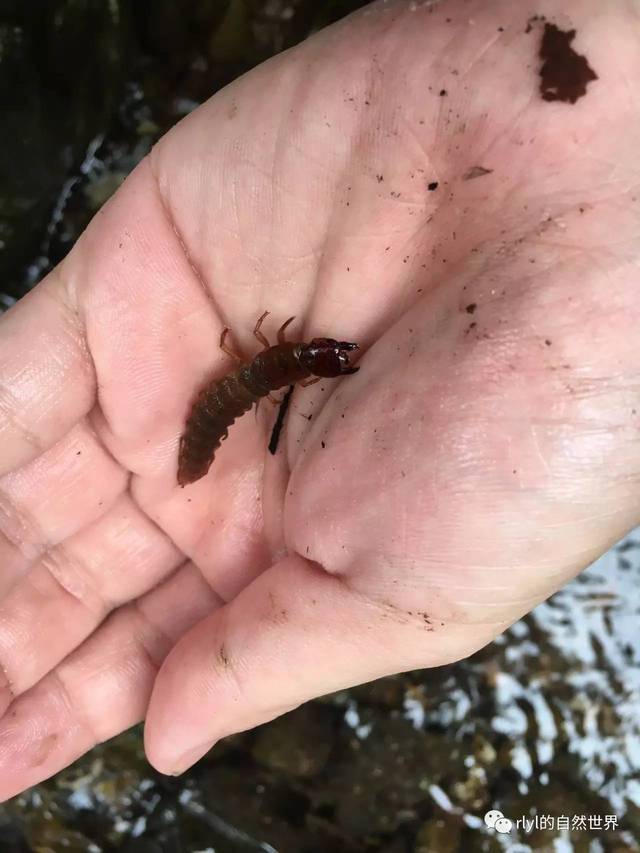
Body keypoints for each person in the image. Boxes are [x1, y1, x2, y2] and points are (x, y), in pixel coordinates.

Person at [0, 0, 637, 799]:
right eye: (328, 359)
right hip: (236, 394)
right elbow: (252, 375)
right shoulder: (266, 367)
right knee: (223, 410)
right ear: (305, 363)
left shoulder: (280, 361)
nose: (336, 362)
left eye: (327, 361)